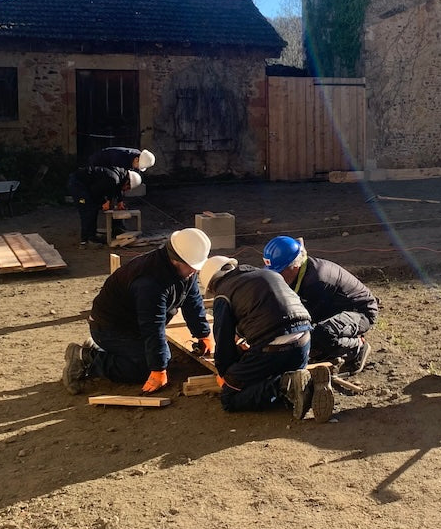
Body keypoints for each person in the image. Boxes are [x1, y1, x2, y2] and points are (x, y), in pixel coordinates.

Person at [61, 228, 212, 395]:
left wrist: (203, 334)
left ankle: (104, 350)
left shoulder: (184, 271)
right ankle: (86, 358)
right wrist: (158, 369)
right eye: (192, 267)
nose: (195, 272)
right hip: (110, 328)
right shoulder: (150, 282)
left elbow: (192, 299)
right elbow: (152, 328)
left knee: (160, 356)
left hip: (133, 324)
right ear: (176, 260)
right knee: (145, 368)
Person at [197, 255, 332, 419]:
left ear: (213, 284)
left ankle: (285, 385)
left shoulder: (223, 294)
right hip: (304, 339)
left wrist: (227, 375)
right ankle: (305, 383)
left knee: (230, 398)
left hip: (272, 346)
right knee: (281, 375)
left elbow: (223, 341)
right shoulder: (268, 274)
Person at [263, 235, 379, 375]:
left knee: (322, 334)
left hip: (360, 312)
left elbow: (304, 321)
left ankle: (357, 347)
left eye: (279, 271)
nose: (276, 276)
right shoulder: (297, 272)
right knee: (311, 337)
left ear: (294, 266)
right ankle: (327, 350)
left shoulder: (317, 280)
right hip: (333, 308)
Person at [66, 165, 142, 246]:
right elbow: (94, 191)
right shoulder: (113, 179)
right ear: (127, 182)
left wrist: (120, 201)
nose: (126, 190)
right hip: (78, 185)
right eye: (128, 188)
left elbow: (116, 188)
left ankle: (92, 235)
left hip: (84, 184)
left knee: (93, 208)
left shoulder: (118, 175)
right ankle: (86, 240)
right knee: (88, 209)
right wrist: (104, 202)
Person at [87, 147, 156, 173]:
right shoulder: (121, 159)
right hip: (96, 164)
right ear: (136, 159)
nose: (136, 168)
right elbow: (113, 177)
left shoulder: (134, 155)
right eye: (138, 166)